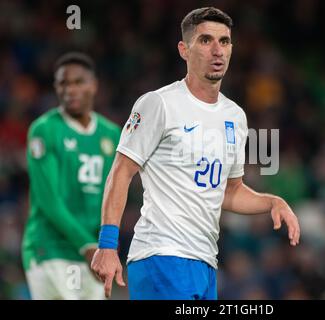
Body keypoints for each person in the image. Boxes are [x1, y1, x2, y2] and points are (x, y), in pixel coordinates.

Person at [90, 7, 301, 300]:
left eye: (224, 41)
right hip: (161, 257)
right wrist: (107, 245)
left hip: (205, 264)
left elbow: (229, 191)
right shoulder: (159, 104)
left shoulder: (235, 116)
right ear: (184, 50)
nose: (217, 50)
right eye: (205, 40)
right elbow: (121, 171)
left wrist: (272, 201)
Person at [22, 52, 121, 299]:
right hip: (51, 249)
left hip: (94, 252)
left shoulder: (111, 134)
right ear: (56, 88)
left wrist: (104, 245)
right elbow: (48, 201)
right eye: (63, 83)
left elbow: (116, 193)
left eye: (78, 82)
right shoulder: (44, 130)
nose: (70, 89)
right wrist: (88, 246)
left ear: (94, 85)